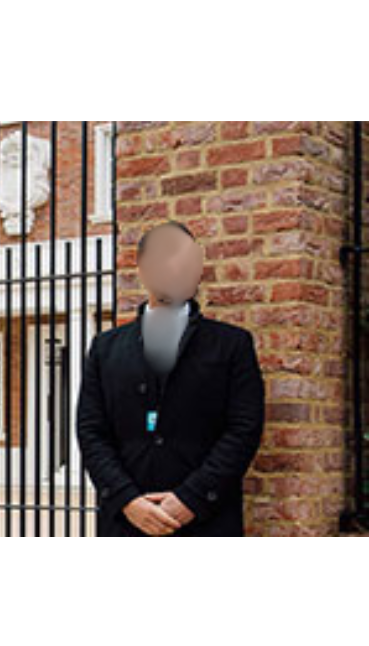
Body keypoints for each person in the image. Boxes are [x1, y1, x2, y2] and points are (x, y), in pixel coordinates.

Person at [78, 222, 266, 538]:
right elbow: (91, 432)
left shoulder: (232, 345)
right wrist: (128, 500)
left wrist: (191, 499)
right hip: (125, 524)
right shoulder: (105, 348)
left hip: (206, 523)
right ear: (141, 269)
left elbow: (244, 429)